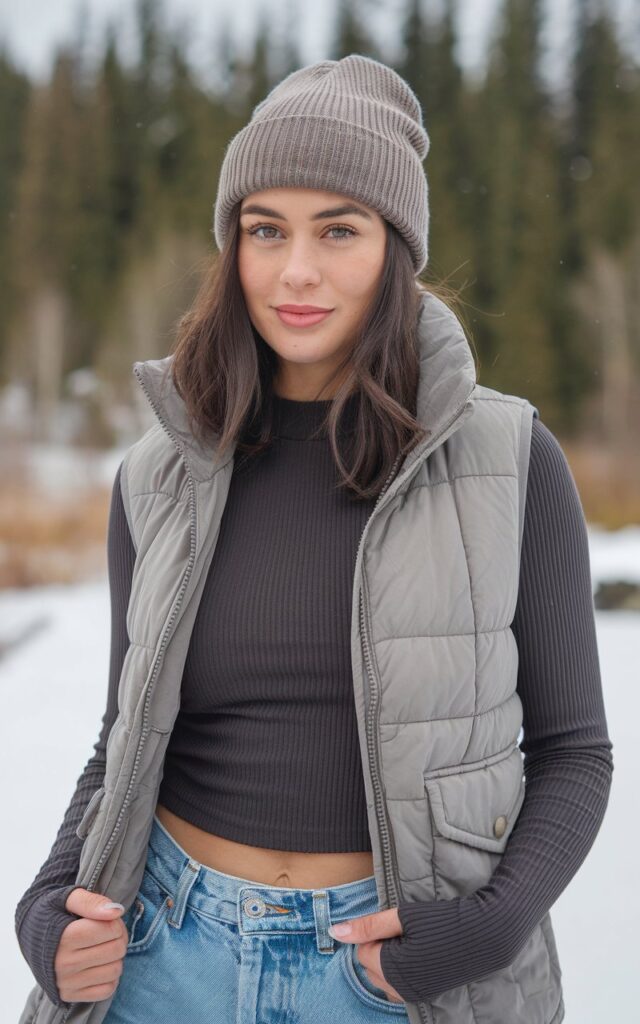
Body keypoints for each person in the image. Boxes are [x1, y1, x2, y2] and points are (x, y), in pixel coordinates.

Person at [15, 54, 613, 1024]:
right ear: (233, 247)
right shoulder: (158, 473)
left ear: (394, 249)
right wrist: (47, 904)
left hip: (390, 975)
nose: (296, 270)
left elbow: (573, 750)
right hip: (162, 954)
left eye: (338, 230)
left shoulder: (509, 459)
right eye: (266, 229)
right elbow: (122, 736)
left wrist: (486, 930)